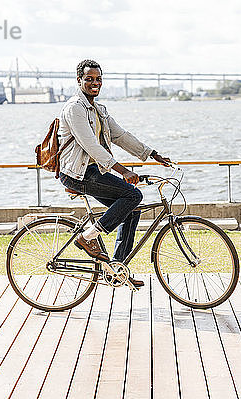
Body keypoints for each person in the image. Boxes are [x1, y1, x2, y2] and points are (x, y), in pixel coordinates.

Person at [58, 59, 171, 288]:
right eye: (88, 79)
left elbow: (120, 136)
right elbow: (91, 146)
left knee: (131, 208)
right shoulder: (74, 108)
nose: (94, 83)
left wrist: (152, 153)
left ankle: (117, 268)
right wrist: (123, 171)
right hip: (77, 173)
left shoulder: (99, 109)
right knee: (133, 195)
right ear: (79, 80)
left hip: (92, 170)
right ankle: (87, 238)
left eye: (98, 79)